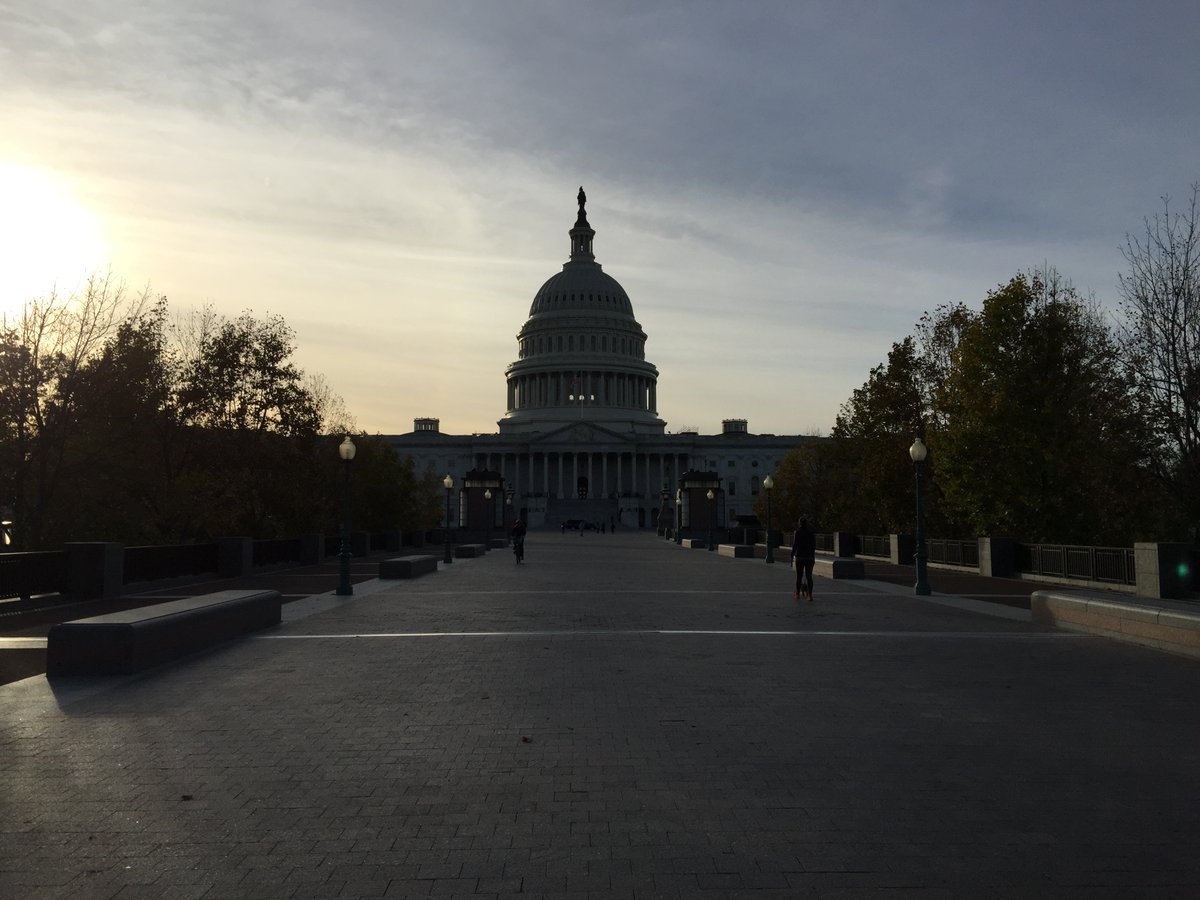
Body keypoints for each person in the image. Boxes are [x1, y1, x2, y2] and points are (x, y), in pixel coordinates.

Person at [791, 517, 816, 601]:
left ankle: (797, 593)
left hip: (800, 557)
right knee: (809, 576)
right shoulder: (811, 533)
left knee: (799, 576)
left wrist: (792, 555)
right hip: (809, 557)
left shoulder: (798, 533)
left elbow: (795, 545)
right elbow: (813, 546)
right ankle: (810, 595)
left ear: (800, 524)